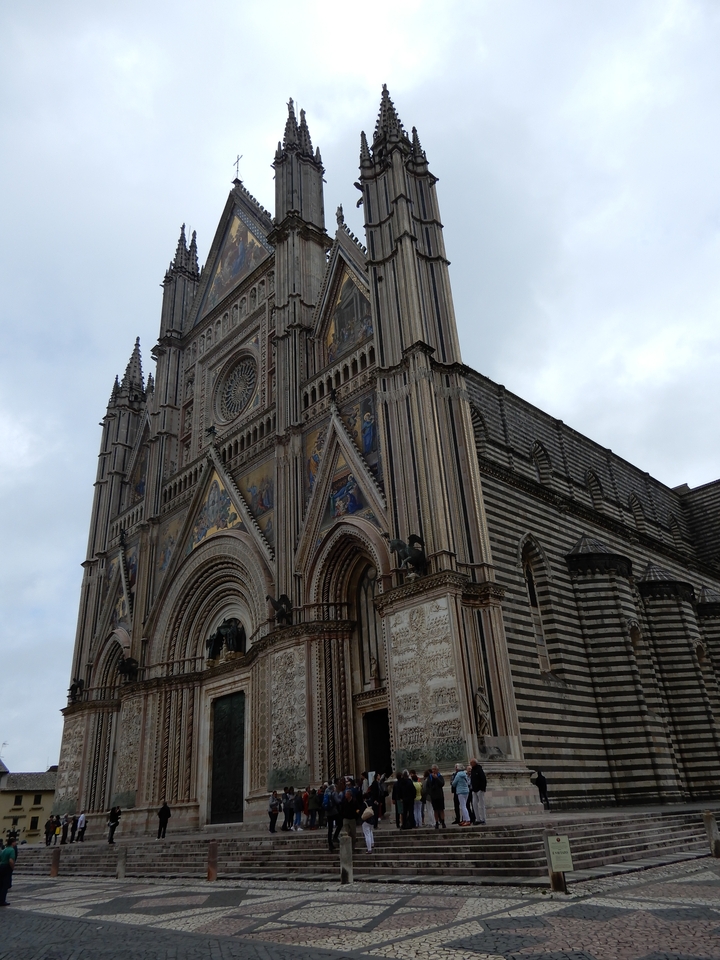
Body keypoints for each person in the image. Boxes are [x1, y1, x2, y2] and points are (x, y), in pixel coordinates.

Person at [469, 758, 487, 825]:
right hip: (474, 790)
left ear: (475, 763)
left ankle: (483, 819)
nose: (470, 764)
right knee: (474, 805)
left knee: (481, 805)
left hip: (479, 789)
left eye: (471, 763)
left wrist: (482, 788)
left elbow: (483, 779)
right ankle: (478, 818)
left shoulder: (479, 769)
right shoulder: (473, 770)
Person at [0, 836, 17, 906]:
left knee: (0, 884)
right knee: (5, 885)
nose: (15, 843)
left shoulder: (4, 850)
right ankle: (2, 900)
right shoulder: (11, 850)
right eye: (15, 842)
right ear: (12, 843)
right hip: (7, 867)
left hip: (1, 866)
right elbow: (11, 860)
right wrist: (13, 867)